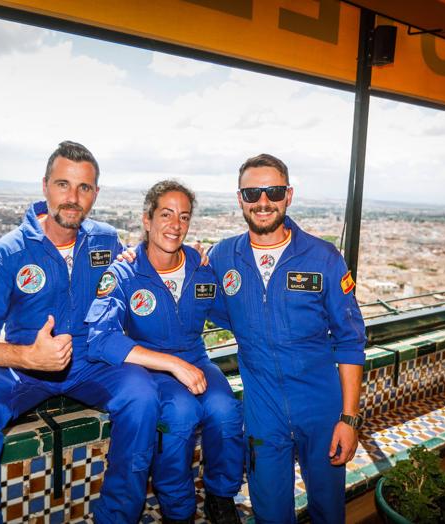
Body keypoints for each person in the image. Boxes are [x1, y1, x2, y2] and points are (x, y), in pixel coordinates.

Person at [0, 141, 160, 524]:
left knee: (142, 394)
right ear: (44, 186)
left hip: (92, 363)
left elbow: (142, 275)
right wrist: (27, 357)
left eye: (84, 188)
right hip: (25, 367)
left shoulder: (105, 241)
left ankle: (117, 516)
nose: (73, 198)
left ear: (96, 194)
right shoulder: (7, 253)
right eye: (62, 184)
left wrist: (194, 258)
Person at [208, 154, 367, 524]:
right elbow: (198, 304)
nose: (263, 201)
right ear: (240, 199)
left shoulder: (323, 257)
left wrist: (349, 418)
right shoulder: (222, 256)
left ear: (288, 195)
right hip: (263, 411)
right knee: (270, 512)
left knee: (329, 510)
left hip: (322, 407)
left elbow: (349, 340)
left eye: (273, 191)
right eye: (252, 192)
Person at [86, 180, 243, 524]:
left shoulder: (203, 268)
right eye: (166, 214)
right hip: (153, 366)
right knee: (180, 416)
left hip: (197, 358)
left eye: (184, 217)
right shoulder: (124, 272)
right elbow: (100, 339)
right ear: (147, 219)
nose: (175, 225)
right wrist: (171, 364)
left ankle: (220, 495)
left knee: (226, 412)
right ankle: (179, 511)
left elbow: (232, 315)